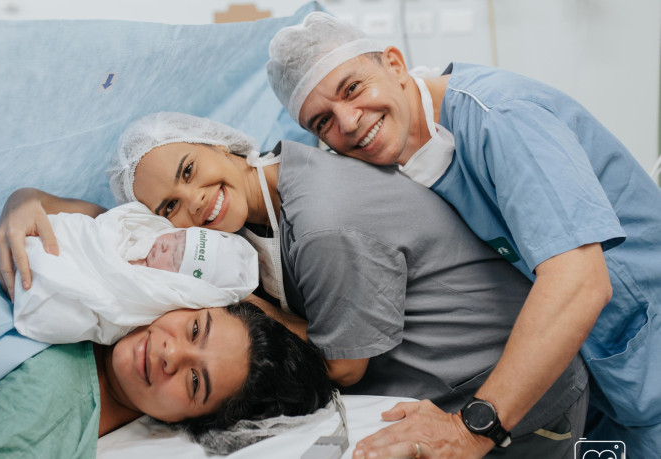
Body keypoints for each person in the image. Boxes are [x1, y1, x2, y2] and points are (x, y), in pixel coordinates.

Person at [0, 111, 590, 458]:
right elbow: (111, 225)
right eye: (170, 205)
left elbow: (346, 368)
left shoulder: (326, 224)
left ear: (221, 142)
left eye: (190, 171)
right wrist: (26, 200)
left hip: (515, 395)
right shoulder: (242, 218)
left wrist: (231, 303)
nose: (194, 203)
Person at [266, 11, 661, 457]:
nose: (349, 121)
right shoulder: (408, 161)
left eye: (352, 88)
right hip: (597, 379)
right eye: (322, 122)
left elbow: (579, 282)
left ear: (394, 64)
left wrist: (471, 429)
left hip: (644, 356)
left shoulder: (501, 120)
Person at [0, 301, 334, 457]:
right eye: (195, 329)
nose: (170, 354)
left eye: (195, 383)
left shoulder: (47, 408)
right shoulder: (92, 296)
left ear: (187, 421)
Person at [13, 201, 259, 344]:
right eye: (176, 237)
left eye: (174, 258)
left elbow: (117, 301)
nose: (165, 245)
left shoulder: (152, 296)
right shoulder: (144, 230)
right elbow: (103, 229)